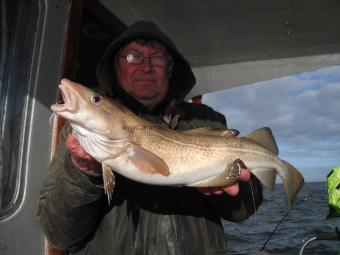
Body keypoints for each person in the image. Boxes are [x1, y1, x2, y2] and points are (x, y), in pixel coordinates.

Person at [38, 20, 263, 255]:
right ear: (116, 67)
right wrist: (83, 174)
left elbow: (245, 210)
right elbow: (61, 236)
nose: (146, 66)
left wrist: (232, 192)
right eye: (134, 56)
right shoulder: (79, 133)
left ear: (170, 68)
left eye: (156, 58)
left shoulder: (207, 121)